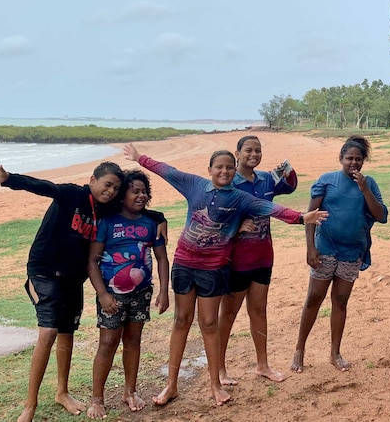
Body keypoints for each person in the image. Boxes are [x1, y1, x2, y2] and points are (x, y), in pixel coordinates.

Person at [122, 143, 328, 407]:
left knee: (209, 324)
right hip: (185, 264)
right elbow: (167, 171)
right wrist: (141, 158)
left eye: (229, 167)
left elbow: (271, 209)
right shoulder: (194, 185)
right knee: (181, 321)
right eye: (219, 167)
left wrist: (301, 218)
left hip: (214, 268)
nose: (225, 171)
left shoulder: (240, 198)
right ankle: (171, 385)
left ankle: (215, 385)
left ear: (234, 171)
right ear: (209, 169)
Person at [0, 160, 124, 422]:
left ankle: (62, 392)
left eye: (115, 188)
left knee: (66, 332)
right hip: (44, 270)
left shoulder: (107, 209)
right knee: (49, 330)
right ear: (92, 180)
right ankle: (30, 404)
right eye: (107, 184)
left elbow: (135, 205)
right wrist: (8, 179)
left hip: (74, 278)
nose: (110, 191)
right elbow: (43, 187)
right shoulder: (73, 194)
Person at [290, 135, 388, 373]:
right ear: (341, 159)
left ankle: (335, 353)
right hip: (325, 250)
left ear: (363, 161)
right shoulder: (327, 180)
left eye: (358, 159)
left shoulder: (369, 183)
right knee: (314, 298)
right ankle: (299, 350)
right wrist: (310, 248)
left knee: (340, 301)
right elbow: (310, 215)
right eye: (349, 158)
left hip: (352, 252)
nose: (353, 163)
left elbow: (381, 216)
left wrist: (364, 189)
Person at [86, 170, 170, 419]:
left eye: (145, 192)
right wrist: (102, 294)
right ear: (122, 196)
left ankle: (130, 391)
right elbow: (92, 260)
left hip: (141, 293)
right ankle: (97, 398)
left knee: (133, 341)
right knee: (108, 343)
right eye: (136, 191)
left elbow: (162, 259)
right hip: (112, 295)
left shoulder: (151, 223)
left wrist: (164, 291)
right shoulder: (107, 222)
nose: (142, 195)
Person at [218, 135, 297, 385]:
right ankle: (219, 369)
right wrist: (237, 224)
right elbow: (215, 218)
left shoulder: (265, 180)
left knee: (259, 311)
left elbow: (291, 185)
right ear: (237, 153)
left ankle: (262, 365)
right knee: (228, 315)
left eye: (258, 150)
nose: (253, 154)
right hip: (235, 260)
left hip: (263, 256)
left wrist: (287, 168)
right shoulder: (228, 182)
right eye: (248, 150)